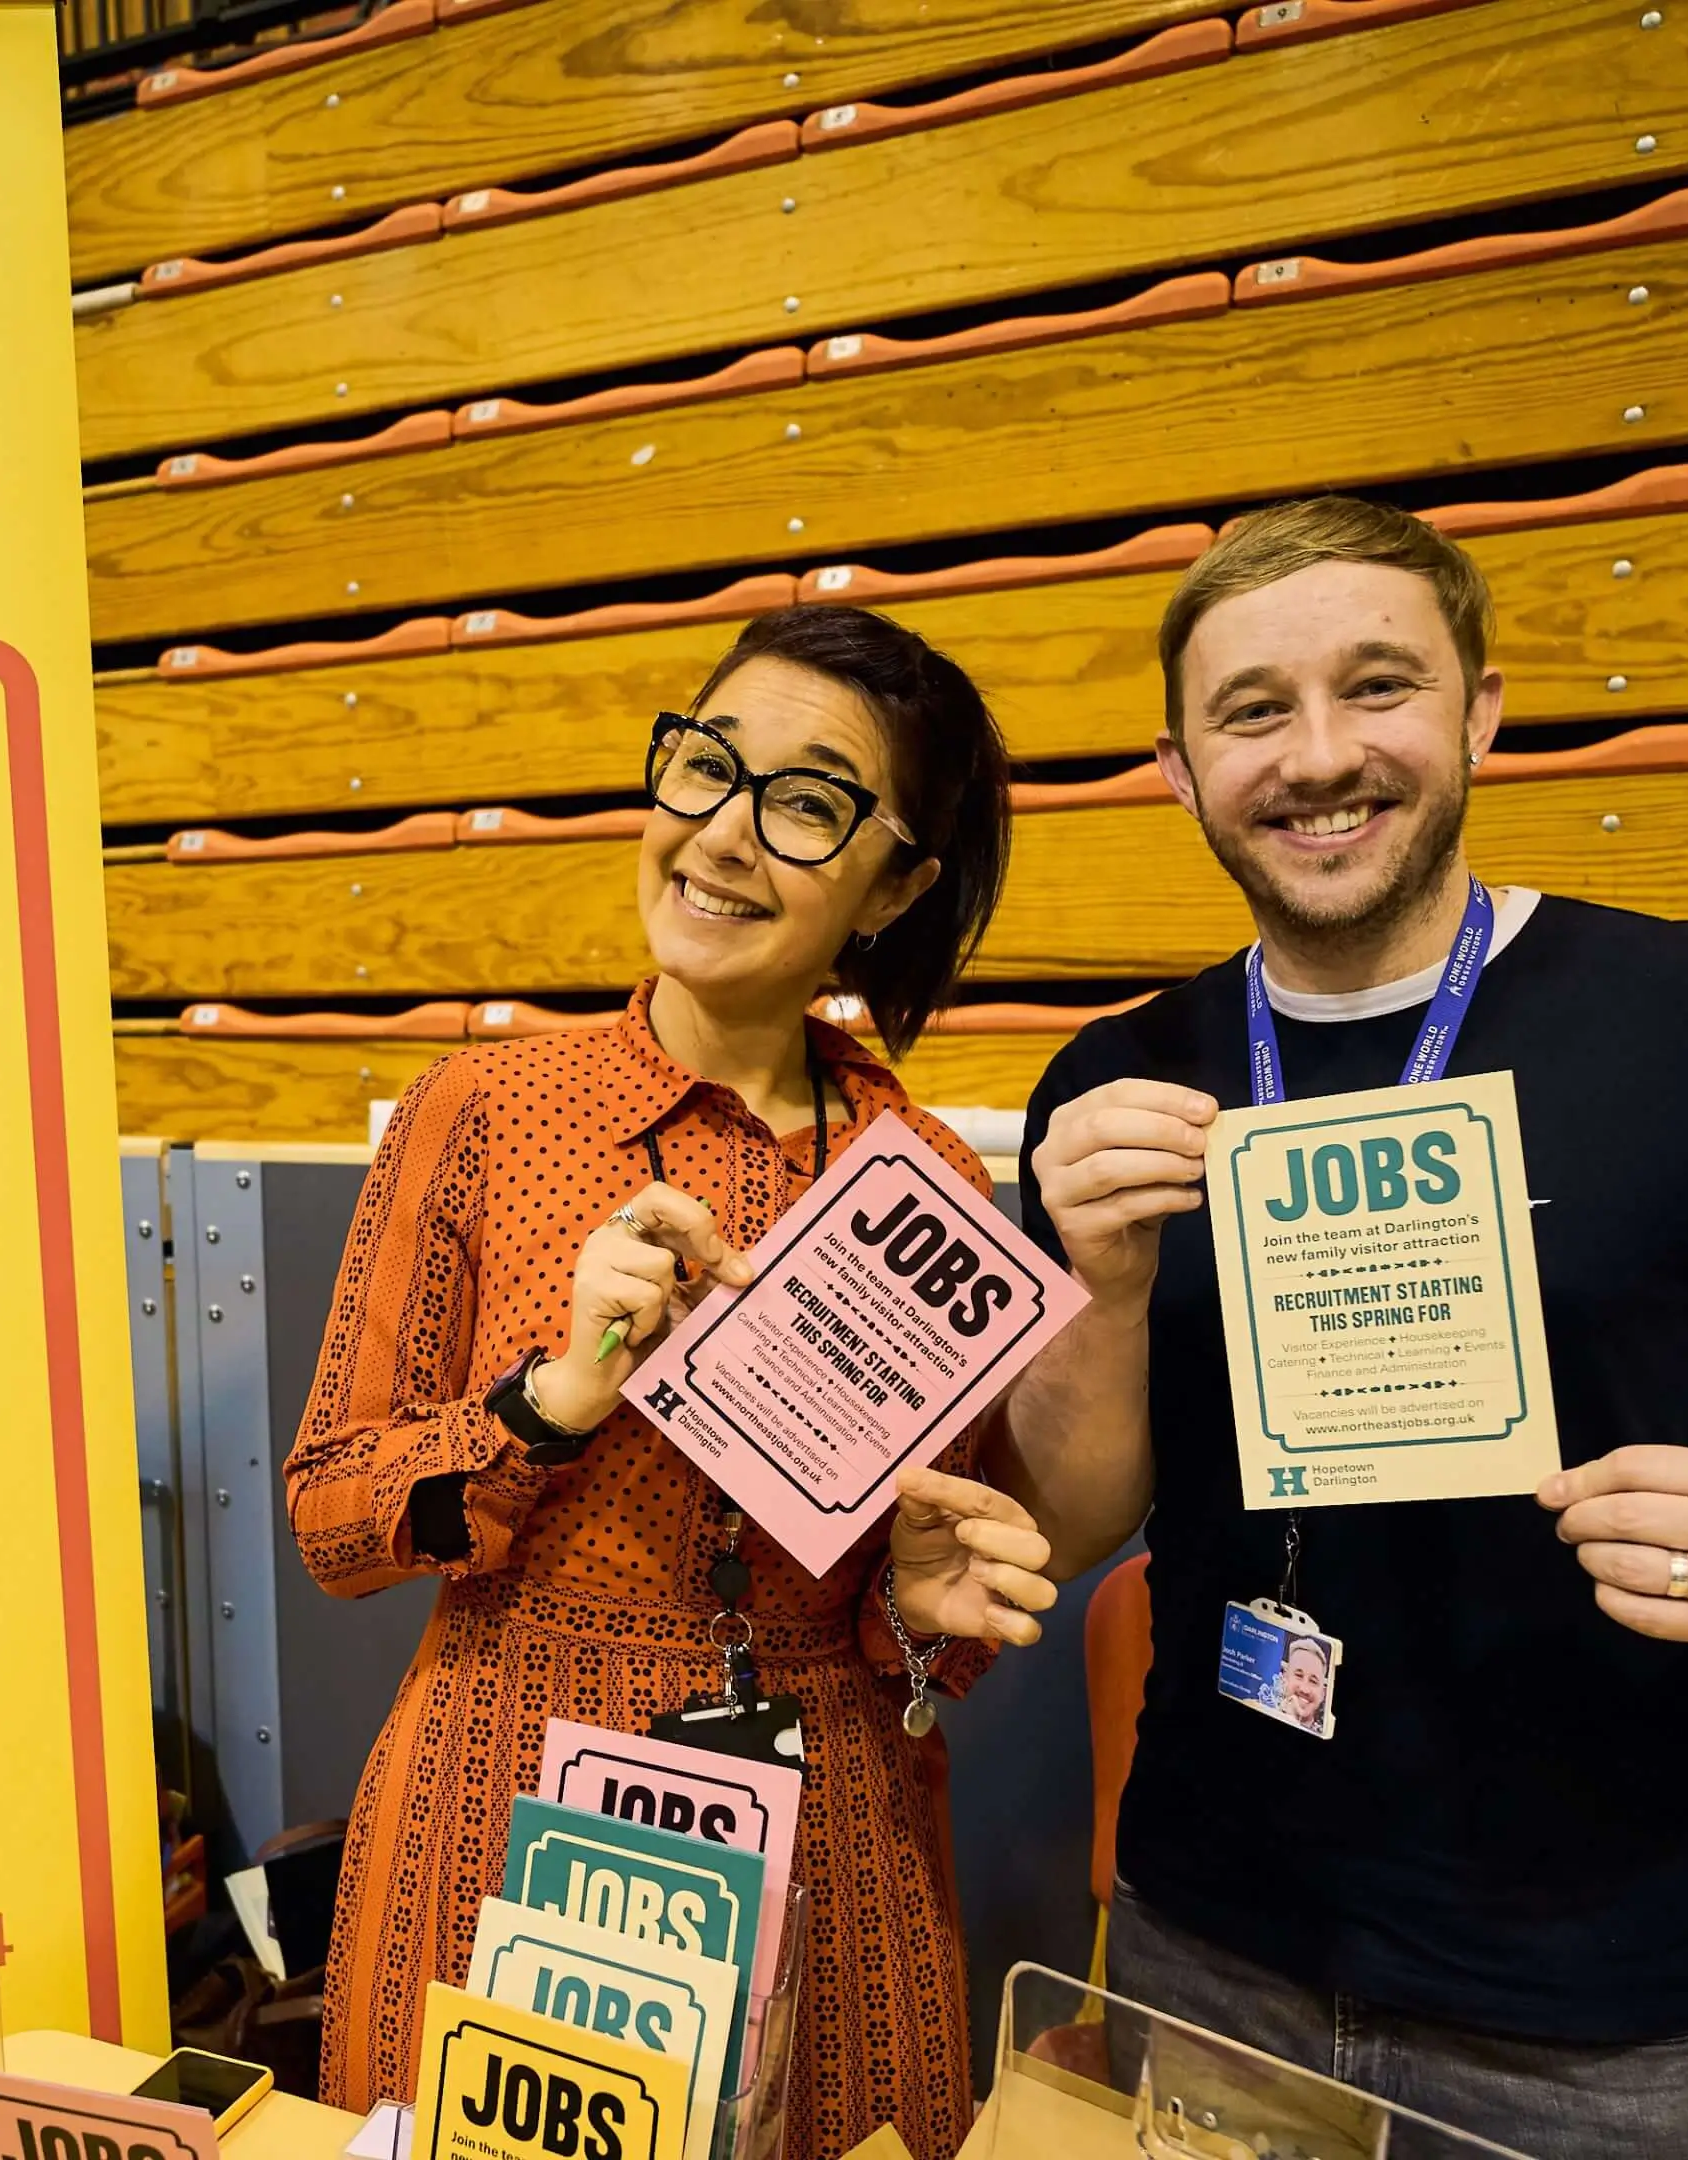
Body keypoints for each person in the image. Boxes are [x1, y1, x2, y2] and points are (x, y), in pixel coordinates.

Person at [992, 498, 1688, 2158]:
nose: (1320, 756)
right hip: (1208, 1953)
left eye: (1378, 686)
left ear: (1481, 713)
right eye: (1252, 711)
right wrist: (1098, 1294)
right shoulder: (1114, 1082)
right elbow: (1079, 1515)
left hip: (1590, 2012)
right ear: (1179, 770)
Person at [287, 605, 1060, 2159]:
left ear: (895, 886)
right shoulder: (481, 1109)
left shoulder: (928, 1182)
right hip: (498, 1800)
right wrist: (548, 1402)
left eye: (808, 802)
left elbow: (910, 1625)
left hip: (832, 1824)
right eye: (708, 767)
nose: (722, 833)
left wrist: (923, 1607)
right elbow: (332, 1523)